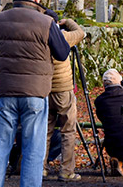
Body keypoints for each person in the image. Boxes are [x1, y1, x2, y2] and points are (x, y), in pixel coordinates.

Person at [0, 0, 71, 187]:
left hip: (5, 92)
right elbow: (62, 53)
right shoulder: (46, 22)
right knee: (33, 151)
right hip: (35, 93)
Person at [44, 15, 85, 181]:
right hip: (63, 90)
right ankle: (67, 170)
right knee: (67, 131)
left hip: (45, 89)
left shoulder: (40, 37)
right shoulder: (62, 37)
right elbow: (80, 33)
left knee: (44, 132)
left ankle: (41, 168)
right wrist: (68, 21)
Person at [94, 69, 123, 179]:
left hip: (111, 143)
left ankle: (117, 160)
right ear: (120, 82)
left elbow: (101, 117)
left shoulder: (99, 101)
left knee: (116, 131)